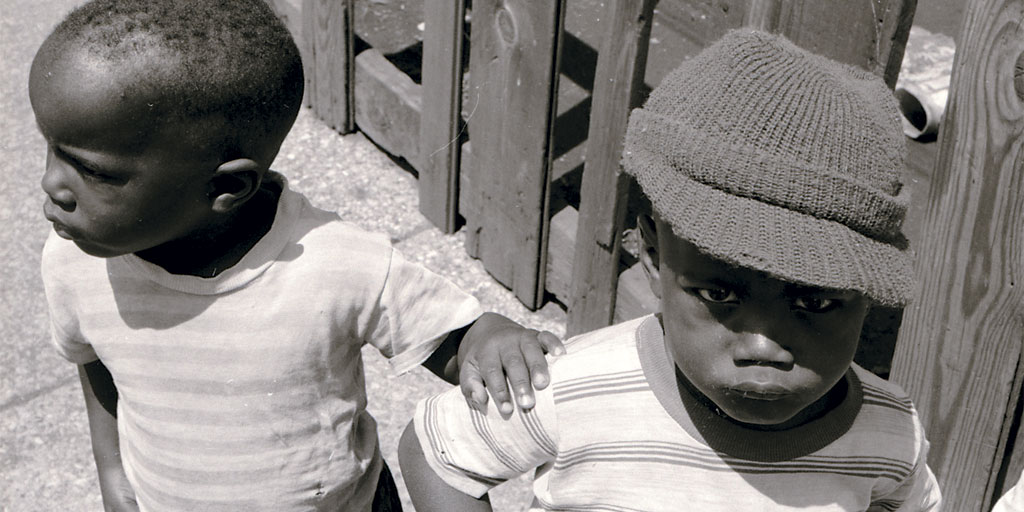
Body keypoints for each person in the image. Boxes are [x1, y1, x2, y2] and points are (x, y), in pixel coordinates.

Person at [31, 1, 561, 510]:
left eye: (93, 171)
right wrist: (113, 473)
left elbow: (457, 337)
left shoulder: (334, 265)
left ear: (227, 187)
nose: (52, 183)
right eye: (52, 147)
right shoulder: (76, 262)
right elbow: (94, 358)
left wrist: (492, 341)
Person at [399, 29, 943, 511]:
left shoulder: (891, 436)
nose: (764, 345)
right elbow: (435, 453)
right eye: (719, 293)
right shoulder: (573, 391)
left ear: (866, 293)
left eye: (816, 303)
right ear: (654, 256)